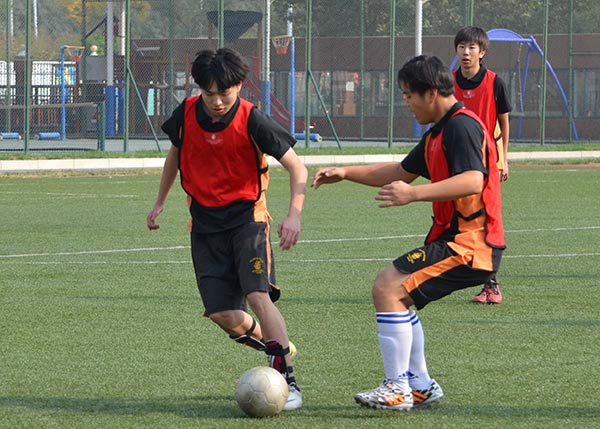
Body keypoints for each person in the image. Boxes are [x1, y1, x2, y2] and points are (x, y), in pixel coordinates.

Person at [311, 55, 505, 411]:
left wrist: (413, 194)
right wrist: (345, 171)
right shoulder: (439, 131)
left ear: (430, 93)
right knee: (396, 293)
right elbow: (401, 170)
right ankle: (419, 385)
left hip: (471, 244)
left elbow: (473, 179)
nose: (406, 102)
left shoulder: (461, 127)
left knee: (387, 287)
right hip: (456, 241)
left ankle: (398, 388)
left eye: (408, 95)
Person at [147, 48, 307, 411]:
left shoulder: (254, 120)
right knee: (222, 315)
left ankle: (287, 378)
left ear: (240, 86)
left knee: (257, 296)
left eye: (225, 93)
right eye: (209, 93)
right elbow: (175, 153)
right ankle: (277, 345)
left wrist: (293, 215)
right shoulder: (186, 114)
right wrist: (159, 201)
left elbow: (298, 169)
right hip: (204, 226)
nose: (217, 101)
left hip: (248, 221)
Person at [453, 25, 512, 304]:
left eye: (472, 47)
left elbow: (503, 122)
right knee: (461, 222)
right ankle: (479, 280)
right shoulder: (449, 82)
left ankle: (492, 286)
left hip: (487, 161)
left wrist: (504, 158)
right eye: (462, 47)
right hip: (459, 162)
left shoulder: (494, 82)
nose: (466, 52)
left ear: (482, 52)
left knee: (486, 221)